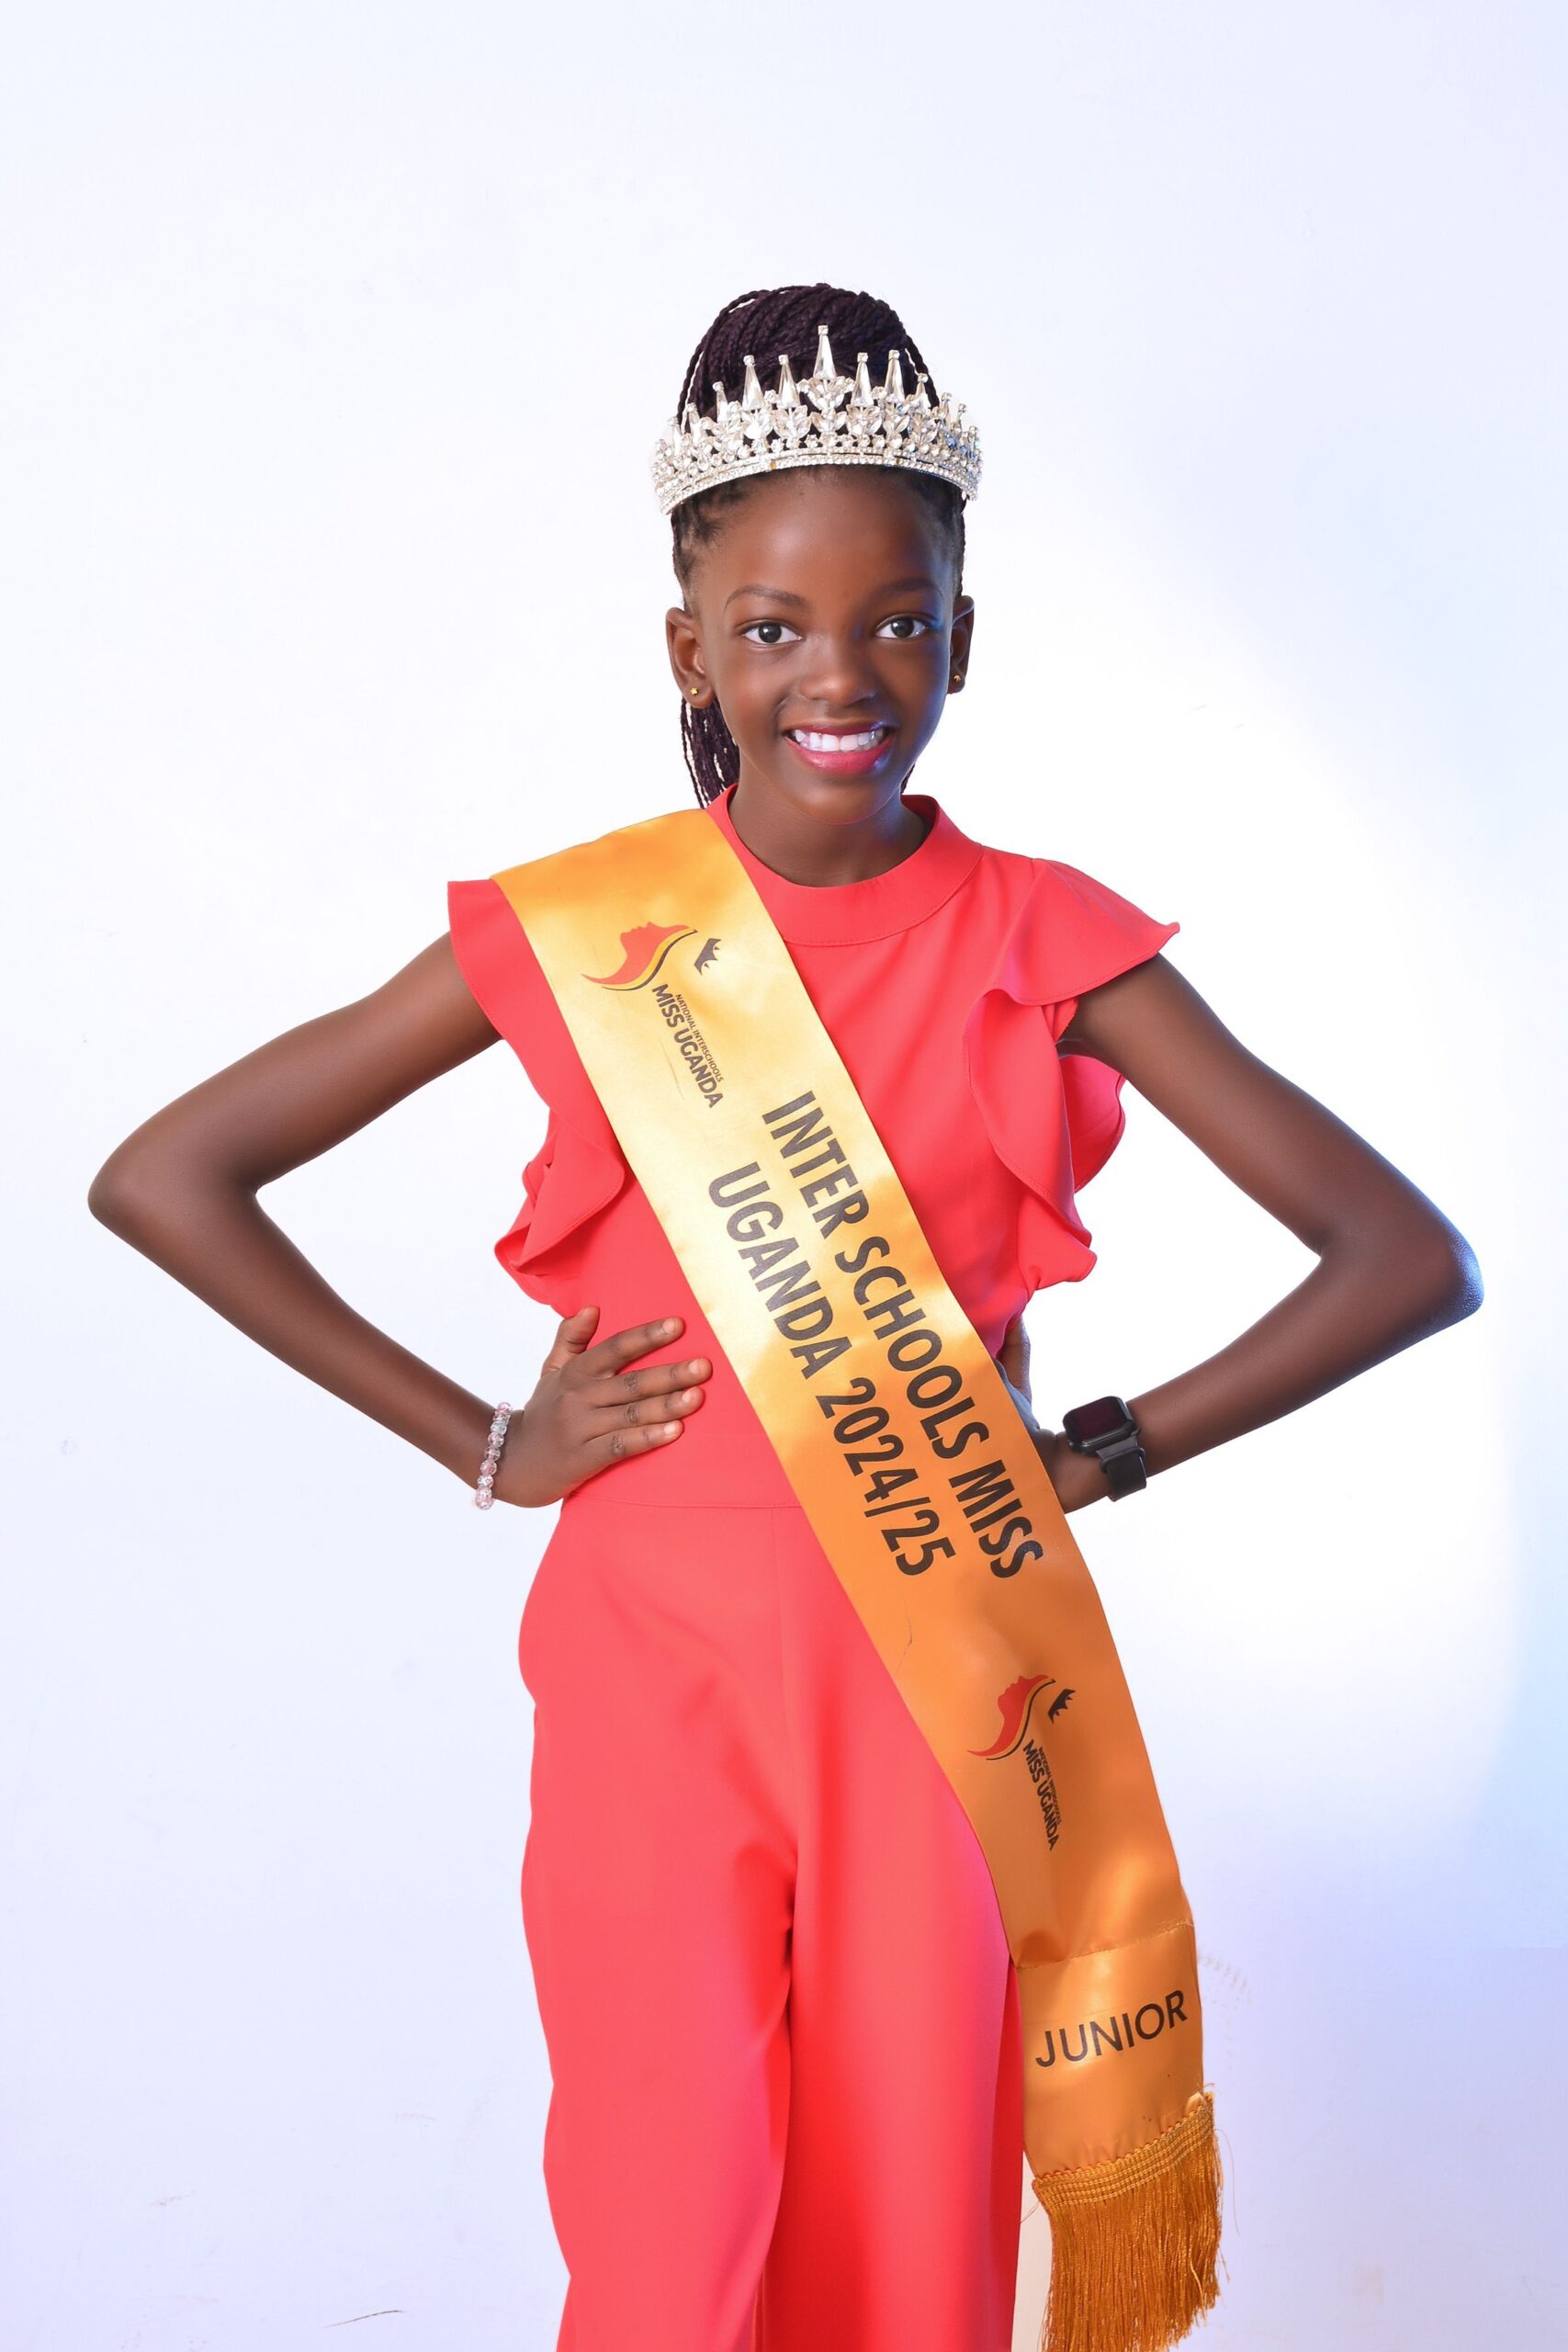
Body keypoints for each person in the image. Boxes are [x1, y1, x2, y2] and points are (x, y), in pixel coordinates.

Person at [88, 281, 1483, 2352]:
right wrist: (485, 1437)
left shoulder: (1044, 938)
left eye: (897, 618)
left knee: (900, 2242)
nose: (841, 676)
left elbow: (1403, 1255)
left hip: (939, 1663)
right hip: (652, 1657)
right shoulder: (579, 932)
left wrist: (1097, 1450)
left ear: (960, 632)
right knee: (665, 2235)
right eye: (771, 626)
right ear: (689, 647)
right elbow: (165, 1173)